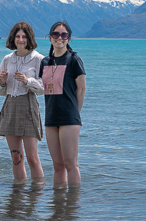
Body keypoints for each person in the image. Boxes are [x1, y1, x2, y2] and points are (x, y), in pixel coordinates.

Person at [0, 22, 45, 184]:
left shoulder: (39, 59)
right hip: (10, 106)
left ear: (29, 38)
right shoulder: (7, 59)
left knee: (32, 158)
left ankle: (37, 194)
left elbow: (43, 88)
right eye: (17, 36)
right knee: (16, 157)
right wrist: (2, 82)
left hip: (28, 106)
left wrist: (27, 81)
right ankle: (19, 195)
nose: (21, 40)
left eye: (24, 36)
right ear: (13, 38)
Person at [39, 21, 86, 189]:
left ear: (69, 39)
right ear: (50, 38)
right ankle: (58, 206)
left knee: (71, 165)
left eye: (63, 35)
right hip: (51, 118)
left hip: (69, 118)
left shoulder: (74, 60)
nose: (60, 38)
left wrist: (75, 113)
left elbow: (81, 89)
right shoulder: (44, 62)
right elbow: (40, 86)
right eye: (56, 34)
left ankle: (72, 207)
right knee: (57, 166)